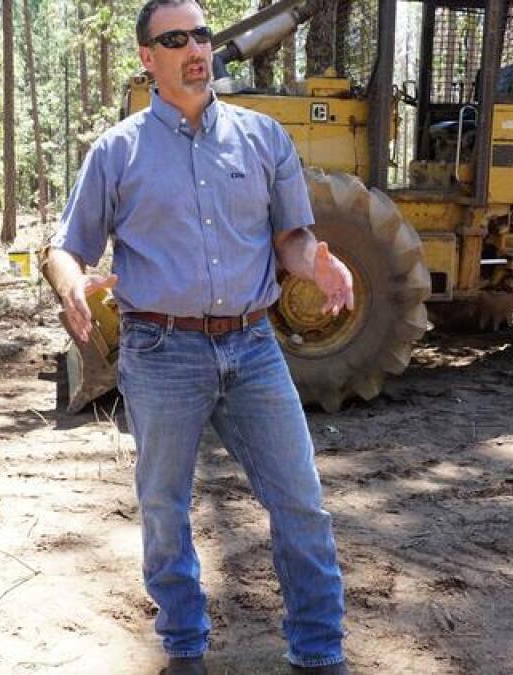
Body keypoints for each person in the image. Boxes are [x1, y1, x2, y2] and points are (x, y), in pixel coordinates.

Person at [47, 2, 354, 673]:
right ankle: (184, 647)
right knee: (165, 507)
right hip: (161, 351)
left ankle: (320, 652)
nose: (196, 48)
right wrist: (70, 285)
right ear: (147, 58)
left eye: (204, 34)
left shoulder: (264, 138)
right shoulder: (117, 151)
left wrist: (317, 263)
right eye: (175, 38)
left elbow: (292, 239)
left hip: (253, 346)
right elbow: (68, 247)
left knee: (301, 500)